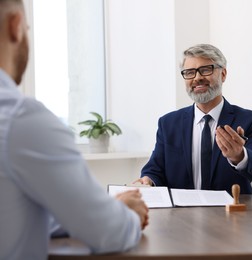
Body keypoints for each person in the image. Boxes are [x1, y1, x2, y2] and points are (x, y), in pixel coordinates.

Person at [0, 1, 148, 259]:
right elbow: (109, 232)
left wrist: (98, 211)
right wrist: (127, 214)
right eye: (28, 27)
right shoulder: (21, 118)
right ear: (16, 27)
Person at [135, 43, 252, 194]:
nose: (197, 78)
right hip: (181, 215)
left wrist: (240, 156)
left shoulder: (250, 120)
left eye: (206, 70)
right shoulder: (168, 123)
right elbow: (155, 169)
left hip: (232, 214)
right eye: (189, 72)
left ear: (223, 74)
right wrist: (148, 180)